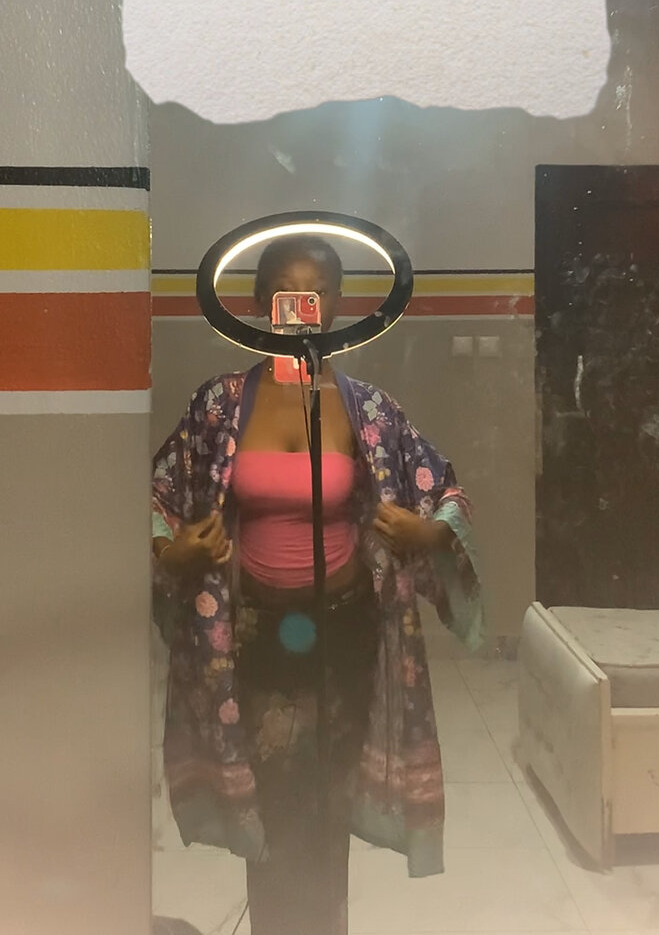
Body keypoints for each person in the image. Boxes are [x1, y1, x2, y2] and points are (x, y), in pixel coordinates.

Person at [152, 234, 485, 935]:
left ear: (336, 305)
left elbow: (446, 491)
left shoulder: (367, 410)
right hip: (255, 633)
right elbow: (158, 495)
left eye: (316, 293)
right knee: (274, 801)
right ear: (256, 302)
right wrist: (173, 550)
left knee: (328, 801)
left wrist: (428, 534)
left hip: (345, 630)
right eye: (284, 291)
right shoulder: (219, 406)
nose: (300, 308)